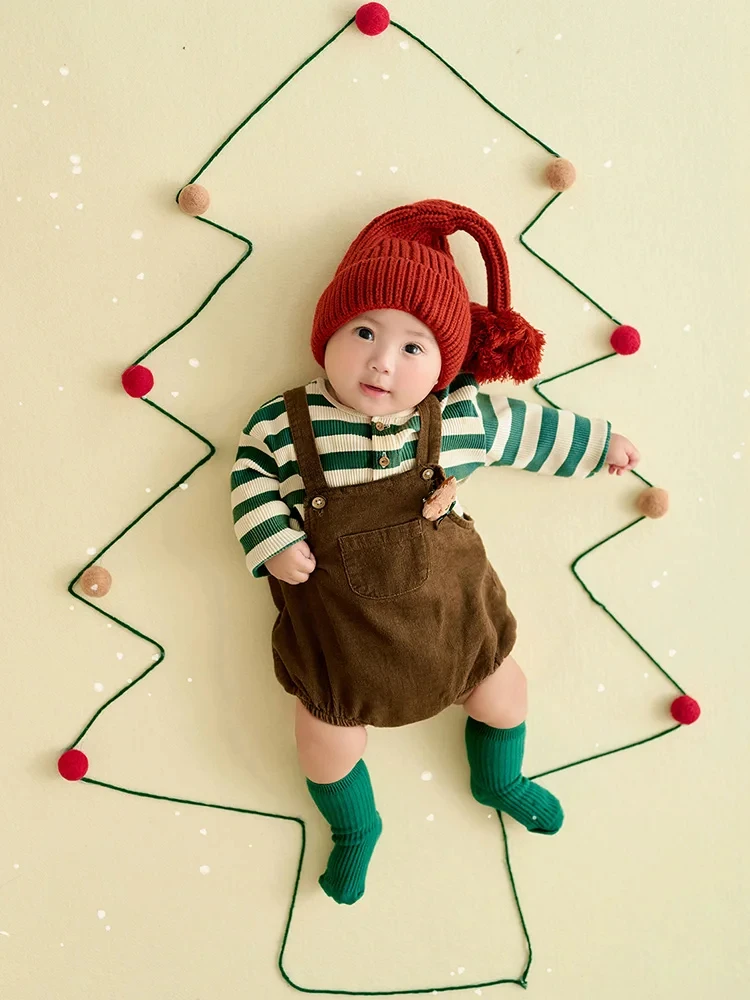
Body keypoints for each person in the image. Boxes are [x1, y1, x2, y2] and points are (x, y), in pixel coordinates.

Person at [230, 198, 640, 905]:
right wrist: (273, 537)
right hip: (342, 651)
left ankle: (499, 777)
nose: (382, 362)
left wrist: (602, 444)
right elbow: (247, 475)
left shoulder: (458, 418)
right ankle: (355, 829)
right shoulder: (284, 420)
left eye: (413, 347)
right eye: (364, 332)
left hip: (453, 631)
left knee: (506, 692)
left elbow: (533, 432)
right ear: (327, 332)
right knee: (325, 743)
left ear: (442, 365)